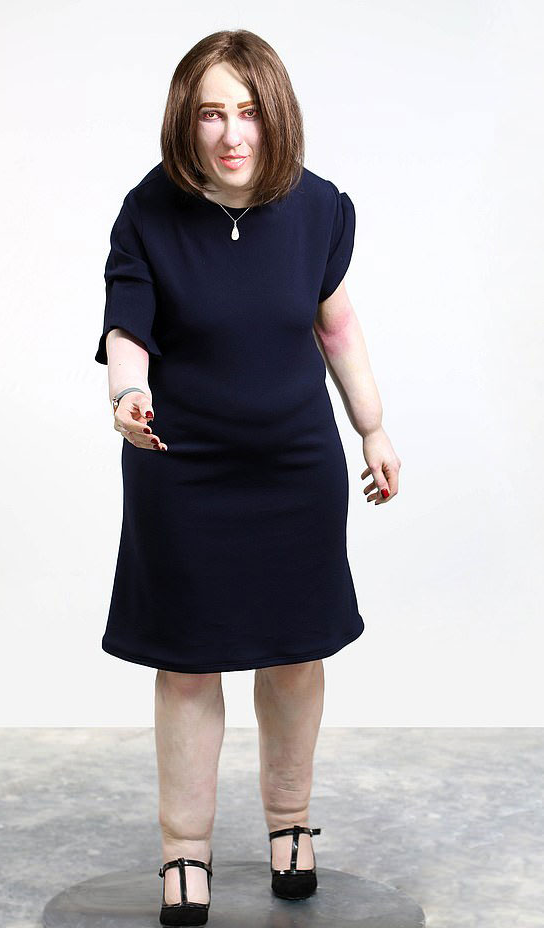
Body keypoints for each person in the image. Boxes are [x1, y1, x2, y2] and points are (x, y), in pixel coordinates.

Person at [95, 29, 401, 927]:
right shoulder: (148, 210)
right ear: (184, 121)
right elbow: (127, 327)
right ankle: (183, 849)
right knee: (189, 665)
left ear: (277, 116)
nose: (233, 134)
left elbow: (335, 325)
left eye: (250, 112)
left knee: (295, 650)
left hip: (294, 463)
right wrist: (128, 394)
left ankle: (291, 825)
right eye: (211, 114)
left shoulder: (321, 207)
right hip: (181, 464)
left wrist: (373, 427)